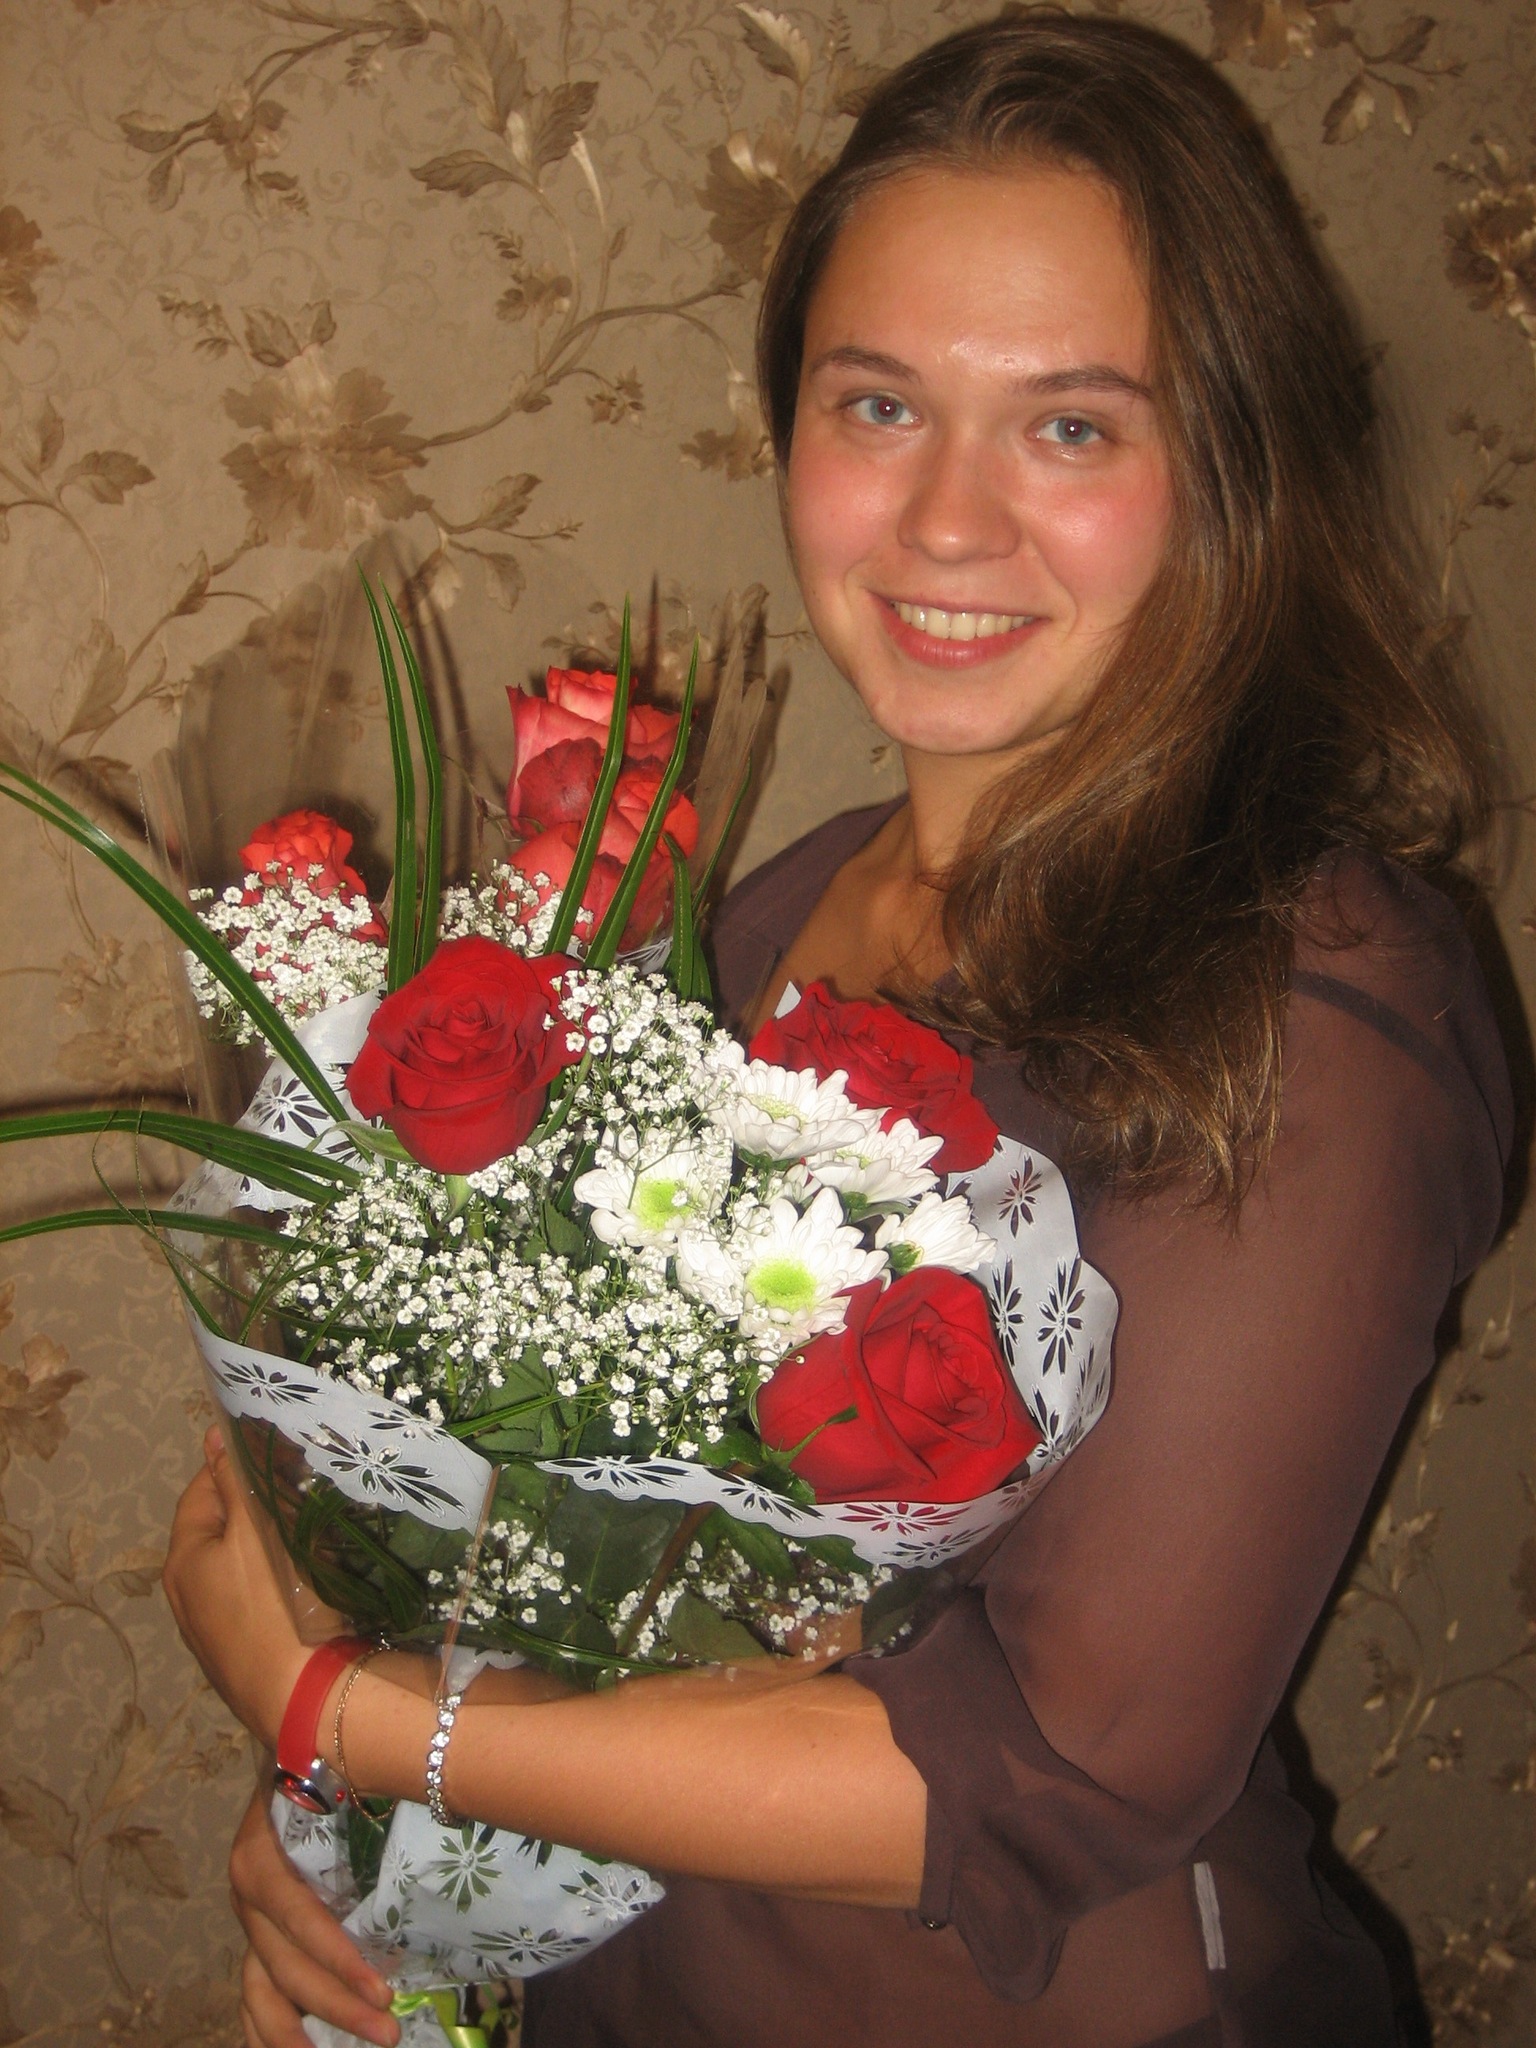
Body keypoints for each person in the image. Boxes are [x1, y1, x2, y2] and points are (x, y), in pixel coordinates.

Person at [161, 14, 1513, 2047]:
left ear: (1235, 468)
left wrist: (338, 1710)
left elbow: (1058, 1772)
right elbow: (583, 1560)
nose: (947, 521)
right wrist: (370, 1860)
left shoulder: (1315, 995)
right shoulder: (777, 905)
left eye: (1074, 427)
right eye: (880, 404)